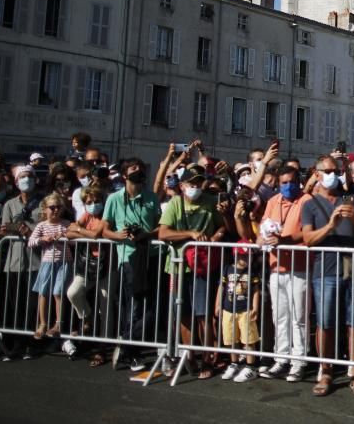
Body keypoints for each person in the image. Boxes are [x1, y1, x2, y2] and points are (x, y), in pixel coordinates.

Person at [300, 156, 354, 397]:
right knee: (325, 324)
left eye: (336, 170)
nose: (333, 174)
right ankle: (326, 370)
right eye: (327, 171)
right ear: (317, 174)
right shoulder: (309, 204)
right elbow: (308, 239)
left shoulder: (349, 199)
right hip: (325, 271)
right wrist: (330, 225)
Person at [157, 164, 227, 379]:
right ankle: (190, 356)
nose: (195, 187)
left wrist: (215, 237)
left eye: (198, 183)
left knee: (203, 314)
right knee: (184, 313)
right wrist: (190, 234)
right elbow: (163, 233)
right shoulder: (174, 204)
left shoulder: (209, 202)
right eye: (191, 183)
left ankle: (207, 359)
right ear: (182, 185)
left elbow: (222, 226)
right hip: (178, 266)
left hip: (203, 267)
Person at [101, 157, 161, 371]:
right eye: (134, 169)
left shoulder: (151, 197)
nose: (138, 171)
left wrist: (146, 234)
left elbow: (159, 228)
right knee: (134, 306)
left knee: (152, 308)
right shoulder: (114, 199)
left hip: (151, 255)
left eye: (141, 168)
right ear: (125, 175)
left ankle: (126, 341)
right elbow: (104, 229)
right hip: (128, 257)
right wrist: (119, 235)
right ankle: (131, 352)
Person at [259, 164, 310, 382]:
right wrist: (264, 240)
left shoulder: (307, 200)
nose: (288, 186)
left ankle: (299, 361)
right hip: (275, 266)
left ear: (298, 181)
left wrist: (285, 240)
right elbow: (262, 230)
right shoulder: (272, 202)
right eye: (284, 183)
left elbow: (308, 231)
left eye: (291, 182)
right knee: (279, 315)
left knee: (299, 315)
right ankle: (281, 358)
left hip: (299, 267)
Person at [0, 164, 42, 360]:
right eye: (22, 177)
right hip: (14, 261)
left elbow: (45, 227)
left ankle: (31, 345)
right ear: (16, 182)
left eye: (29, 176)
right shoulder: (9, 204)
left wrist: (29, 231)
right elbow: (5, 228)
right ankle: (13, 346)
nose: (26, 180)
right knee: (14, 305)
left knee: (32, 306)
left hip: (36, 261)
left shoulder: (43, 203)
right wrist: (15, 229)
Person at [65, 185, 112, 364]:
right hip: (88, 265)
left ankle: (102, 347)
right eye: (89, 202)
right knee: (73, 292)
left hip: (107, 266)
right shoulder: (86, 216)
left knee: (105, 304)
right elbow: (68, 232)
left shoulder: (106, 216)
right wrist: (80, 230)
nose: (93, 205)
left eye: (97, 201)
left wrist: (79, 230)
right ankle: (87, 317)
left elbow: (94, 234)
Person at [27, 193, 71, 339]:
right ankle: (43, 323)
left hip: (64, 262)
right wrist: (42, 239)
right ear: (45, 209)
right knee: (43, 293)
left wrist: (64, 238)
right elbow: (31, 242)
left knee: (58, 292)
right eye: (52, 207)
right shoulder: (41, 225)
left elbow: (75, 241)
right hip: (47, 262)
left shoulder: (66, 224)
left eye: (59, 207)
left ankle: (58, 323)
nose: (56, 210)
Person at [215, 248, 261, 383]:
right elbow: (221, 287)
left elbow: (256, 291)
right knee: (231, 339)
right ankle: (234, 363)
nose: (248, 259)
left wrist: (255, 307)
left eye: (250, 257)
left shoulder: (252, 272)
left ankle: (251, 367)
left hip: (245, 310)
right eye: (244, 256)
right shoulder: (227, 269)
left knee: (249, 339)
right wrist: (218, 304)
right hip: (228, 310)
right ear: (237, 255)